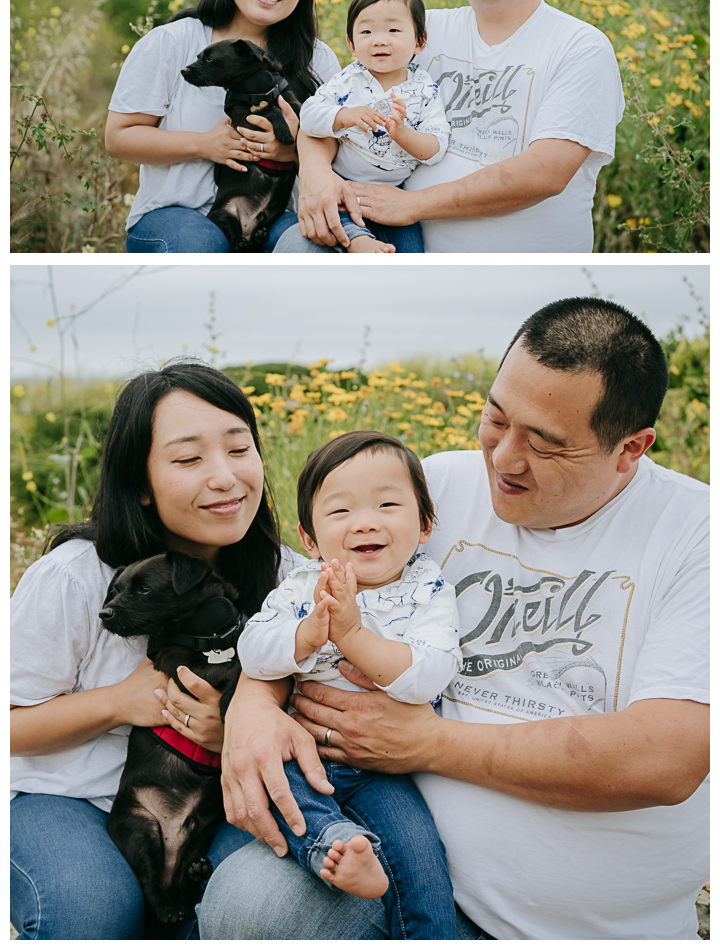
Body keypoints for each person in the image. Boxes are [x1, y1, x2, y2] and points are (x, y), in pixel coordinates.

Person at [197, 297, 709, 941]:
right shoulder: (438, 488)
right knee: (253, 907)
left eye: (545, 445)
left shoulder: (695, 535)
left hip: (586, 926)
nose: (503, 459)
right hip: (385, 847)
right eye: (496, 418)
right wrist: (252, 707)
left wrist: (430, 745)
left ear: (630, 449)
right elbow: (309, 596)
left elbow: (665, 758)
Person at [10, 362, 305, 939]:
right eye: (188, 459)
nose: (225, 478)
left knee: (252, 906)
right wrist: (118, 702)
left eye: (239, 448)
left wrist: (238, 731)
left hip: (208, 801)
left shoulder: (285, 579)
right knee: (92, 910)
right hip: (67, 798)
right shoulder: (76, 578)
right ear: (140, 483)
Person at [282, 0, 625, 254]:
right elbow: (339, 103)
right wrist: (318, 177)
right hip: (384, 234)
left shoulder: (579, 45)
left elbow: (546, 173)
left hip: (516, 268)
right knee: (295, 250)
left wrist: (413, 205)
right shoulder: (416, 30)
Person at [238, 432, 461, 937]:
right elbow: (251, 652)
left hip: (384, 770)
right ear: (310, 539)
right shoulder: (301, 587)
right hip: (306, 752)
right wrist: (306, 633)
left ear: (425, 524)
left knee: (422, 860)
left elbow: (430, 672)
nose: (365, 521)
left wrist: (353, 636)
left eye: (387, 504)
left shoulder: (426, 588)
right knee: (280, 786)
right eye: (340, 512)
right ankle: (333, 845)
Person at [104, 0, 343, 254]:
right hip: (176, 215)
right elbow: (118, 137)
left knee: (309, 249)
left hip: (275, 216)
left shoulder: (317, 59)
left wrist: (292, 150)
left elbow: (341, 149)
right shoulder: (173, 41)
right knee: (201, 245)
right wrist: (204, 145)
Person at [275, 0, 450, 255]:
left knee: (411, 249)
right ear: (352, 44)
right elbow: (308, 116)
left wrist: (405, 135)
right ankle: (359, 243)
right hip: (344, 181)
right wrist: (343, 115)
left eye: (393, 30)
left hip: (395, 193)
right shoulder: (347, 80)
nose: (379, 40)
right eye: (366, 31)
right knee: (334, 211)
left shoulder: (424, 89)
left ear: (420, 41)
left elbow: (436, 147)